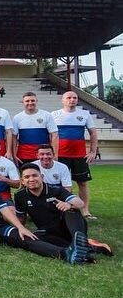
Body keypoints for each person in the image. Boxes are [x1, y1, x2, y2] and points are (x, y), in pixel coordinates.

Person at [14, 163, 110, 258]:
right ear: (22, 181)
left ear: (42, 177)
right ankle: (86, 246)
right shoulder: (19, 195)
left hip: (68, 228)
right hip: (47, 231)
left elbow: (80, 203)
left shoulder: (56, 190)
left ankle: (79, 240)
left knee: (72, 210)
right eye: (27, 177)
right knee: (34, 237)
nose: (31, 179)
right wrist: (19, 229)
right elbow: (21, 217)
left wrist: (68, 205)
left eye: (35, 175)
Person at [52, 91, 98, 219]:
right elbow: (51, 135)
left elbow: (93, 133)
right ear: (63, 100)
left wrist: (93, 151)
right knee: (59, 184)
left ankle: (85, 211)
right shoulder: (54, 115)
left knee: (82, 183)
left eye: (74, 98)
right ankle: (59, 209)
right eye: (69, 97)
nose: (72, 100)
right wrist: (53, 153)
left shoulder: (84, 114)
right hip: (59, 156)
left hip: (79, 156)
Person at [13, 91, 58, 165]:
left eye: (32, 100)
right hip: (24, 155)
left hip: (43, 155)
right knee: (26, 176)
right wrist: (14, 154)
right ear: (23, 102)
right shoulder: (17, 118)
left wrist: (55, 154)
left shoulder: (46, 115)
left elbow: (54, 135)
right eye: (27, 101)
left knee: (44, 176)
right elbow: (14, 137)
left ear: (36, 101)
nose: (30, 103)